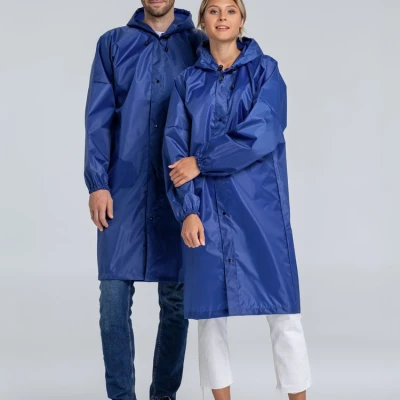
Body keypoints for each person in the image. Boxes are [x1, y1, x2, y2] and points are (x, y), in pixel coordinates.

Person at [162, 0, 312, 399]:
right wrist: (188, 211)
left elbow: (263, 131)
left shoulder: (266, 71)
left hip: (260, 209)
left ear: (242, 19)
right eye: (213, 10)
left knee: (284, 314)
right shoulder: (188, 82)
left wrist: (203, 162)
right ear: (202, 21)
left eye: (230, 10)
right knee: (209, 317)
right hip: (206, 210)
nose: (222, 17)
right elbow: (174, 150)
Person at [84, 1, 205, 399]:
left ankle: (163, 395)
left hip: (178, 191)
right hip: (123, 190)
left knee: (177, 303)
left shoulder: (197, 44)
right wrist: (98, 183)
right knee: (113, 300)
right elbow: (99, 117)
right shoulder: (113, 44)